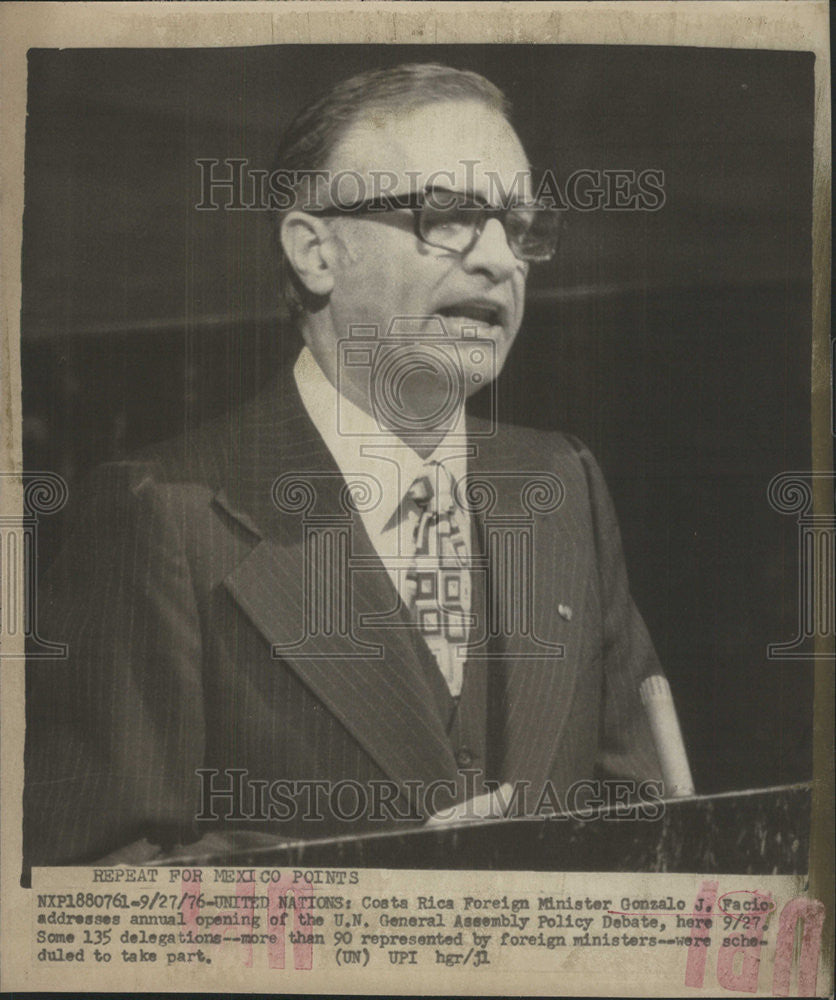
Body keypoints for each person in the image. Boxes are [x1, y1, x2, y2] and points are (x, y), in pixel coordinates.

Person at [24, 63, 673, 867]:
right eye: (453, 216)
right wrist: (380, 887)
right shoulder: (164, 513)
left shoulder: (565, 484)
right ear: (316, 252)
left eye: (521, 227)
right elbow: (85, 886)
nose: (502, 260)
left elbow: (647, 821)